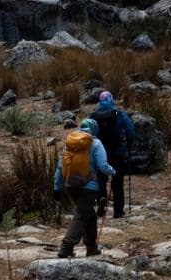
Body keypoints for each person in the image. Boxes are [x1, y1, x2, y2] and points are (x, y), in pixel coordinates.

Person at [53, 118, 116, 258]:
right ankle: (66, 247)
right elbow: (103, 166)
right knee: (81, 215)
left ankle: (91, 247)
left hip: (71, 186)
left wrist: (57, 187)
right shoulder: (96, 143)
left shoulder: (70, 143)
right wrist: (113, 172)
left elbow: (60, 167)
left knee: (90, 216)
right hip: (89, 187)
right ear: (94, 129)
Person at [89, 91, 135, 218]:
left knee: (101, 179)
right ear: (111, 100)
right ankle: (118, 211)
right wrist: (128, 146)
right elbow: (130, 132)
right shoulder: (120, 114)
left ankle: (101, 199)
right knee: (117, 182)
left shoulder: (93, 115)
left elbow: (87, 131)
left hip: (99, 152)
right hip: (117, 153)